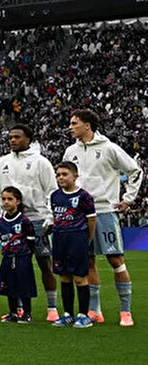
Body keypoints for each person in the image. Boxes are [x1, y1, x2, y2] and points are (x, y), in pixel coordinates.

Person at [62, 108, 141, 327]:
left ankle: (125, 311)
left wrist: (128, 199)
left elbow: (136, 171)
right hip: (79, 212)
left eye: (74, 123)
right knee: (88, 261)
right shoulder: (70, 152)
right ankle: (94, 310)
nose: (70, 127)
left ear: (87, 125)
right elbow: (66, 178)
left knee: (116, 260)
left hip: (104, 210)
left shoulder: (109, 148)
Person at [0, 124, 58, 320]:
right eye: (10, 137)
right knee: (15, 266)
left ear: (28, 139)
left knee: (45, 263)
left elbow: (51, 190)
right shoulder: (2, 163)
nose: (12, 140)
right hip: (10, 221)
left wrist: (50, 217)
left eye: (17, 137)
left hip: (36, 219)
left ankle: (52, 307)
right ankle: (18, 308)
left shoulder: (41, 162)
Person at [48, 161, 98, 328]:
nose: (60, 177)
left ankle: (83, 315)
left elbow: (91, 220)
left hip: (77, 239)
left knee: (79, 277)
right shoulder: (55, 196)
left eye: (64, 174)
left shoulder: (84, 196)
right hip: (60, 238)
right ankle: (67, 314)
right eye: (58, 175)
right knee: (64, 275)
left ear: (75, 176)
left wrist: (86, 239)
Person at [0, 186, 37, 324]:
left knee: (24, 286)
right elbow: (1, 238)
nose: (6, 202)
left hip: (22, 258)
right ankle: (13, 313)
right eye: (4, 199)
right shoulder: (0, 222)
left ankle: (27, 314)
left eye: (10, 199)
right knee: (9, 286)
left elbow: (31, 241)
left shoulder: (24, 221)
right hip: (7, 257)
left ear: (18, 201)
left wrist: (26, 255)